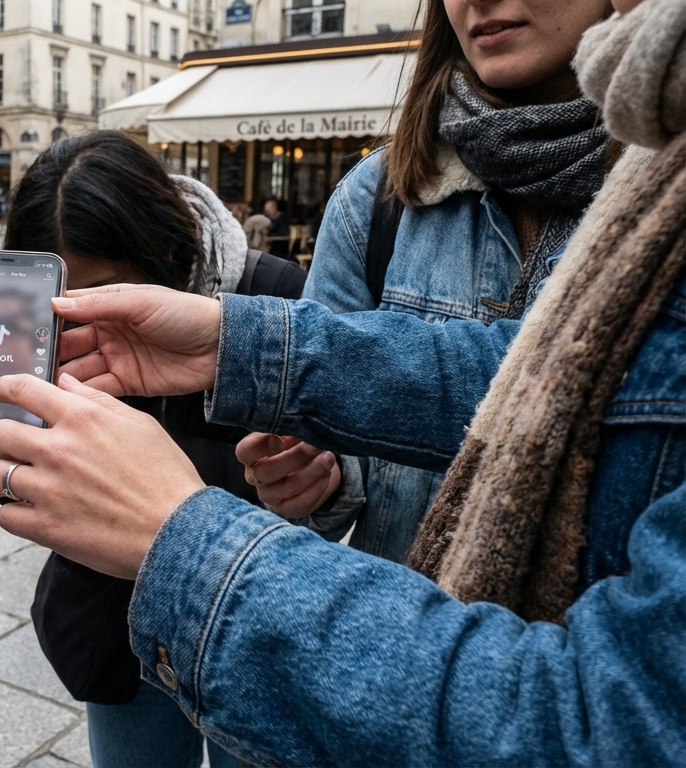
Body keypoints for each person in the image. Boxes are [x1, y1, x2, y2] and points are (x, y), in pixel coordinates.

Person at [0, 0, 686, 762]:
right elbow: (540, 374)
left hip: (356, 666)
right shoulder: (377, 196)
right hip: (273, 657)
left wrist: (183, 538)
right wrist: (254, 367)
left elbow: (613, 723)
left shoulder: (652, 176)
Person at [237, 0, 615, 564]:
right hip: (398, 632)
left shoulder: (663, 195)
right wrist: (321, 476)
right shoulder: (377, 196)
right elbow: (334, 465)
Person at [2, 130, 304, 768]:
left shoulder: (273, 295)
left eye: (103, 293)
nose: (78, 325)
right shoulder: (39, 326)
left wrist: (310, 473)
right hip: (119, 634)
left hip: (247, 632)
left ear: (164, 251)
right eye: (59, 305)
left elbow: (331, 471)